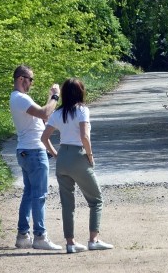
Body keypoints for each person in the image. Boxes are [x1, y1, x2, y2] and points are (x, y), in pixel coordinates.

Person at [41, 78, 114, 254]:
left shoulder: (57, 114)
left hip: (63, 158)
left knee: (67, 204)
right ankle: (93, 240)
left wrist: (56, 154)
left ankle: (70, 243)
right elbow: (84, 137)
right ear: (81, 92)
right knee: (96, 200)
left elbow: (44, 138)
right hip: (78, 156)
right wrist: (90, 156)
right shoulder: (82, 110)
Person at [10, 65, 62, 250]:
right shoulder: (20, 98)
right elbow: (45, 113)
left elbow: (43, 117)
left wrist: (50, 98)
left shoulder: (19, 99)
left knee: (29, 193)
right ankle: (40, 236)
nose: (32, 83)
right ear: (21, 79)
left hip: (26, 150)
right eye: (30, 79)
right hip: (34, 151)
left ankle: (23, 235)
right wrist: (55, 96)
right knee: (39, 195)